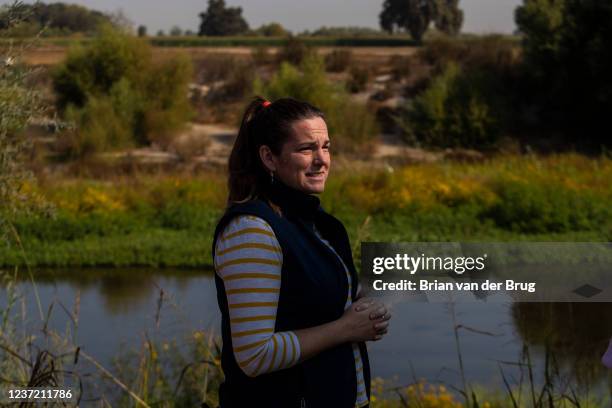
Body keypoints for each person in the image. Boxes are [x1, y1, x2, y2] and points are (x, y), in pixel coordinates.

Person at [212, 97, 391, 407]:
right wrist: (346, 328)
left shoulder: (318, 224)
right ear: (269, 157)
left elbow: (310, 304)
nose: (322, 159)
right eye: (306, 149)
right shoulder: (252, 230)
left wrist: (362, 306)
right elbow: (254, 355)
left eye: (327, 146)